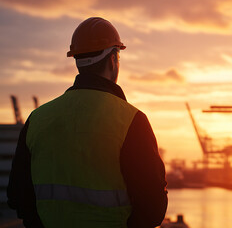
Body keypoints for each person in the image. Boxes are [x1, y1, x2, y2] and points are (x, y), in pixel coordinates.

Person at [7, 17, 168, 228]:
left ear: (77, 60)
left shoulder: (37, 119)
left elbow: (18, 196)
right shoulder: (131, 121)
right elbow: (153, 208)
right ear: (113, 59)